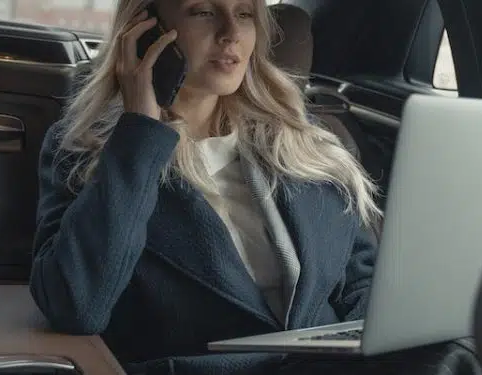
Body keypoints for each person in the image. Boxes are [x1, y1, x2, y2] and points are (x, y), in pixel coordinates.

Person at [29, 0, 383, 374]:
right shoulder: (91, 149)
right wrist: (139, 131)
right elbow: (76, 307)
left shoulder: (308, 144)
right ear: (146, 29)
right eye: (203, 12)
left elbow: (363, 282)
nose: (231, 33)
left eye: (244, 14)